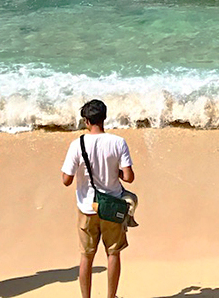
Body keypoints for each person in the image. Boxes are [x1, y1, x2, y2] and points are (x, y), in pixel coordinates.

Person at [61, 99, 135, 298]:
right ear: (104, 118)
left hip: (87, 207)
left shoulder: (77, 144)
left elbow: (66, 180)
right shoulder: (118, 142)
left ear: (86, 121)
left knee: (86, 257)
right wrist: (115, 172)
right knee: (113, 253)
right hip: (112, 206)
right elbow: (128, 177)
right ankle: (111, 297)